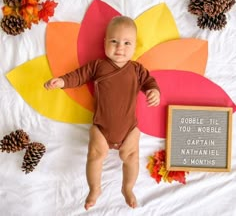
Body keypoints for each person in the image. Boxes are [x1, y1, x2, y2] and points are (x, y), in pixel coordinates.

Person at [44, 16, 161, 210]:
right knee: (95, 155)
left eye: (126, 43)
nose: (120, 47)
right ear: (105, 42)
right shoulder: (98, 66)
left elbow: (150, 82)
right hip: (101, 128)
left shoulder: (137, 69)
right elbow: (78, 76)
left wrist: (153, 91)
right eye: (114, 41)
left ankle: (128, 187)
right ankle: (95, 188)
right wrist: (62, 81)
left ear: (134, 47)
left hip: (129, 129)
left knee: (131, 157)